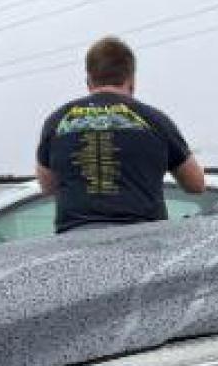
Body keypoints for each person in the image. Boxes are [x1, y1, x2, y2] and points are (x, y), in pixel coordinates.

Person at [35, 37, 205, 232]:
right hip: (143, 243)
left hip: (76, 244)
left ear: (89, 80)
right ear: (131, 81)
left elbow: (47, 187)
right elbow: (196, 184)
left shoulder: (57, 121)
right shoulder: (155, 120)